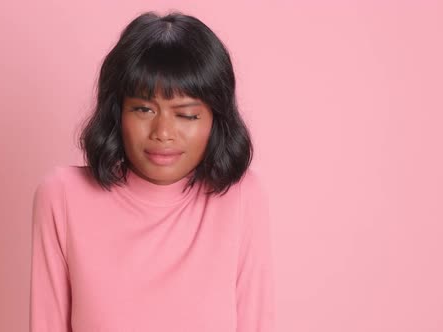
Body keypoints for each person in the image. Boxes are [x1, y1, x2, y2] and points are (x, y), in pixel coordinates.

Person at [29, 11, 274, 332]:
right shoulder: (62, 196)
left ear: (215, 120)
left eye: (186, 115)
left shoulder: (241, 197)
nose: (163, 131)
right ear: (117, 111)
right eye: (144, 109)